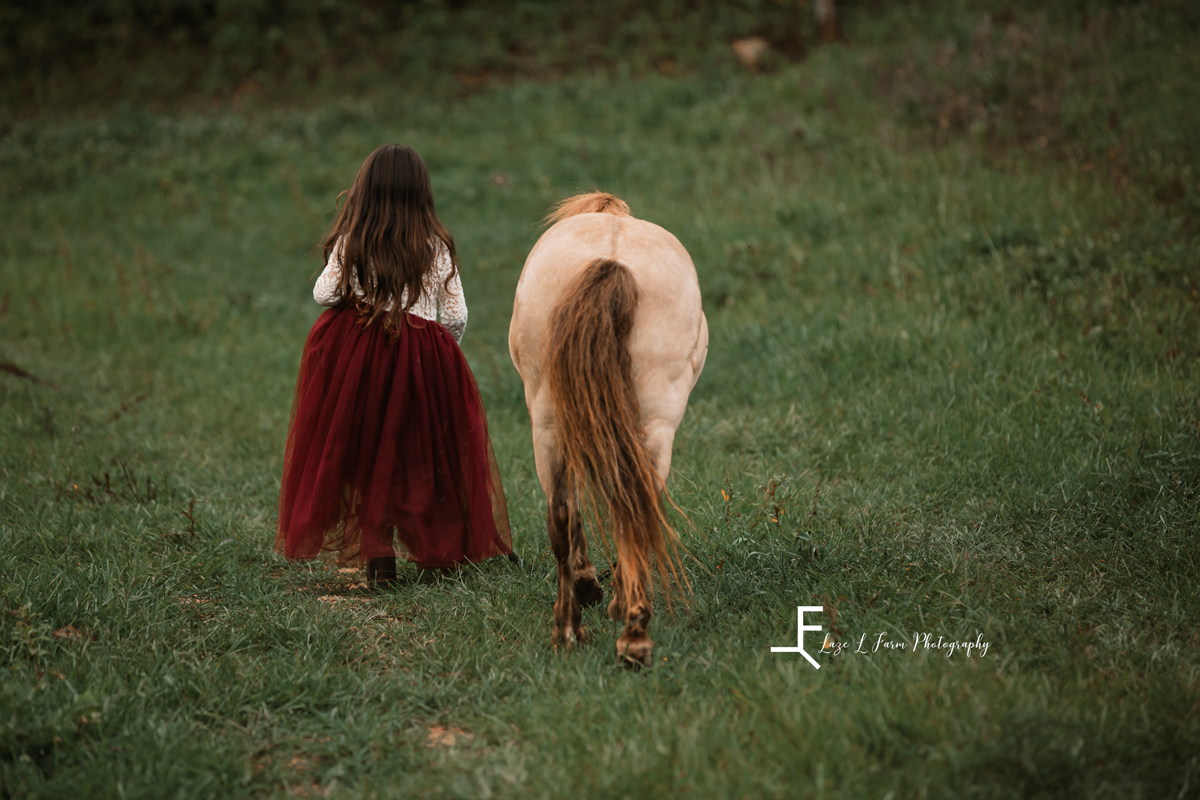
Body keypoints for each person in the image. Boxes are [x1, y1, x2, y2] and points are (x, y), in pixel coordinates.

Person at [275, 144, 513, 585]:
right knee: (421, 455)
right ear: (422, 192)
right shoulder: (436, 245)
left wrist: (358, 291)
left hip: (361, 360)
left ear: (365, 192)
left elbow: (323, 295)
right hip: (421, 361)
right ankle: (436, 554)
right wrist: (440, 351)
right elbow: (456, 314)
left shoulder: (353, 241)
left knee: (367, 453)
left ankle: (378, 557)